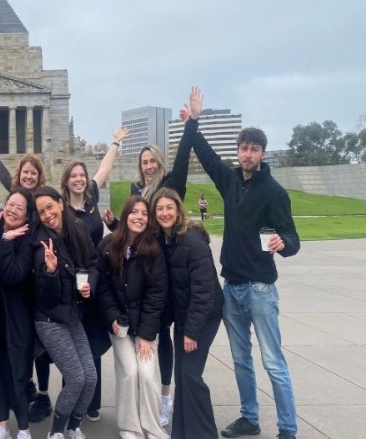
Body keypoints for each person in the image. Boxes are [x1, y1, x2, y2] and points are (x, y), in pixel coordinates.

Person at [186, 87, 300, 439]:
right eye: (243, 148)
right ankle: (249, 417)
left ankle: (287, 428)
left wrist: (284, 244)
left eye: (254, 149)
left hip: (261, 289)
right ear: (238, 151)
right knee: (240, 360)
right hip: (231, 287)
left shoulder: (274, 192)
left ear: (262, 154)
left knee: (273, 362)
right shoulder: (231, 181)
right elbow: (203, 154)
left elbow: (292, 239)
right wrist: (194, 120)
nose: (247, 154)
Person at [102, 108, 194, 426]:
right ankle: (149, 403)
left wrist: (190, 125)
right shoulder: (136, 192)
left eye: (153, 161)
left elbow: (182, 162)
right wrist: (115, 223)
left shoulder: (169, 186)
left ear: (160, 163)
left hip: (167, 267)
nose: (149, 166)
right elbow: (131, 227)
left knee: (166, 336)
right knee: (154, 340)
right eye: (144, 162)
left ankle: (165, 397)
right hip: (146, 269)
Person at [60, 126, 128, 423]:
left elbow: (105, 166)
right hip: (70, 283)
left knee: (93, 342)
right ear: (66, 181)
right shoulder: (60, 210)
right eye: (73, 176)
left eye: (81, 176)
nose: (78, 179)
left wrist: (114, 142)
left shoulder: (91, 200)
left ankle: (92, 402)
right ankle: (71, 397)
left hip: (95, 280)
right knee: (72, 346)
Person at [0, 137, 51, 421]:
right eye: (25, 173)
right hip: (12, 290)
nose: (28, 177)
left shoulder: (42, 204)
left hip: (36, 283)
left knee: (38, 348)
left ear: (39, 177)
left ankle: (42, 394)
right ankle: (25, 392)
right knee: (17, 351)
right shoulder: (12, 208)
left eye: (33, 173)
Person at [151, 187, 223, 439]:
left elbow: (204, 292)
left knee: (190, 374)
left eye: (169, 207)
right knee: (182, 375)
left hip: (204, 316)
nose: (164, 213)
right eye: (159, 208)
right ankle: (182, 433)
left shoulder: (192, 240)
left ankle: (204, 434)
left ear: (178, 210)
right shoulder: (164, 238)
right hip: (185, 315)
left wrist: (192, 332)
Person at [96, 195, 169, 439]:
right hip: (119, 325)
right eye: (134, 212)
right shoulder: (108, 246)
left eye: (144, 214)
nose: (139, 217)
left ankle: (151, 426)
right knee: (129, 372)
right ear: (125, 215)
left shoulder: (153, 250)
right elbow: (103, 288)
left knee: (147, 375)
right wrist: (113, 318)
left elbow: (156, 295)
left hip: (145, 326)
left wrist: (146, 336)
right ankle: (129, 426)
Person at [33, 186, 98, 439]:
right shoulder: (42, 244)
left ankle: (73, 426)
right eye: (41, 211)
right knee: (76, 378)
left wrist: (89, 284)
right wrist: (50, 271)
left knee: (90, 378)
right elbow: (45, 297)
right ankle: (57, 431)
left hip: (71, 314)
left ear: (60, 203)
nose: (47, 214)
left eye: (50, 206)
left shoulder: (77, 229)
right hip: (49, 318)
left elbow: (93, 263)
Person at [0, 188, 35, 439]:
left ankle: (24, 427)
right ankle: (3, 424)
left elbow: (11, 274)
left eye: (18, 208)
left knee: (17, 372)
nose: (11, 210)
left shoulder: (25, 240)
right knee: (0, 370)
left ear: (26, 216)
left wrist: (6, 242)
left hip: (15, 318)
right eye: (10, 204)